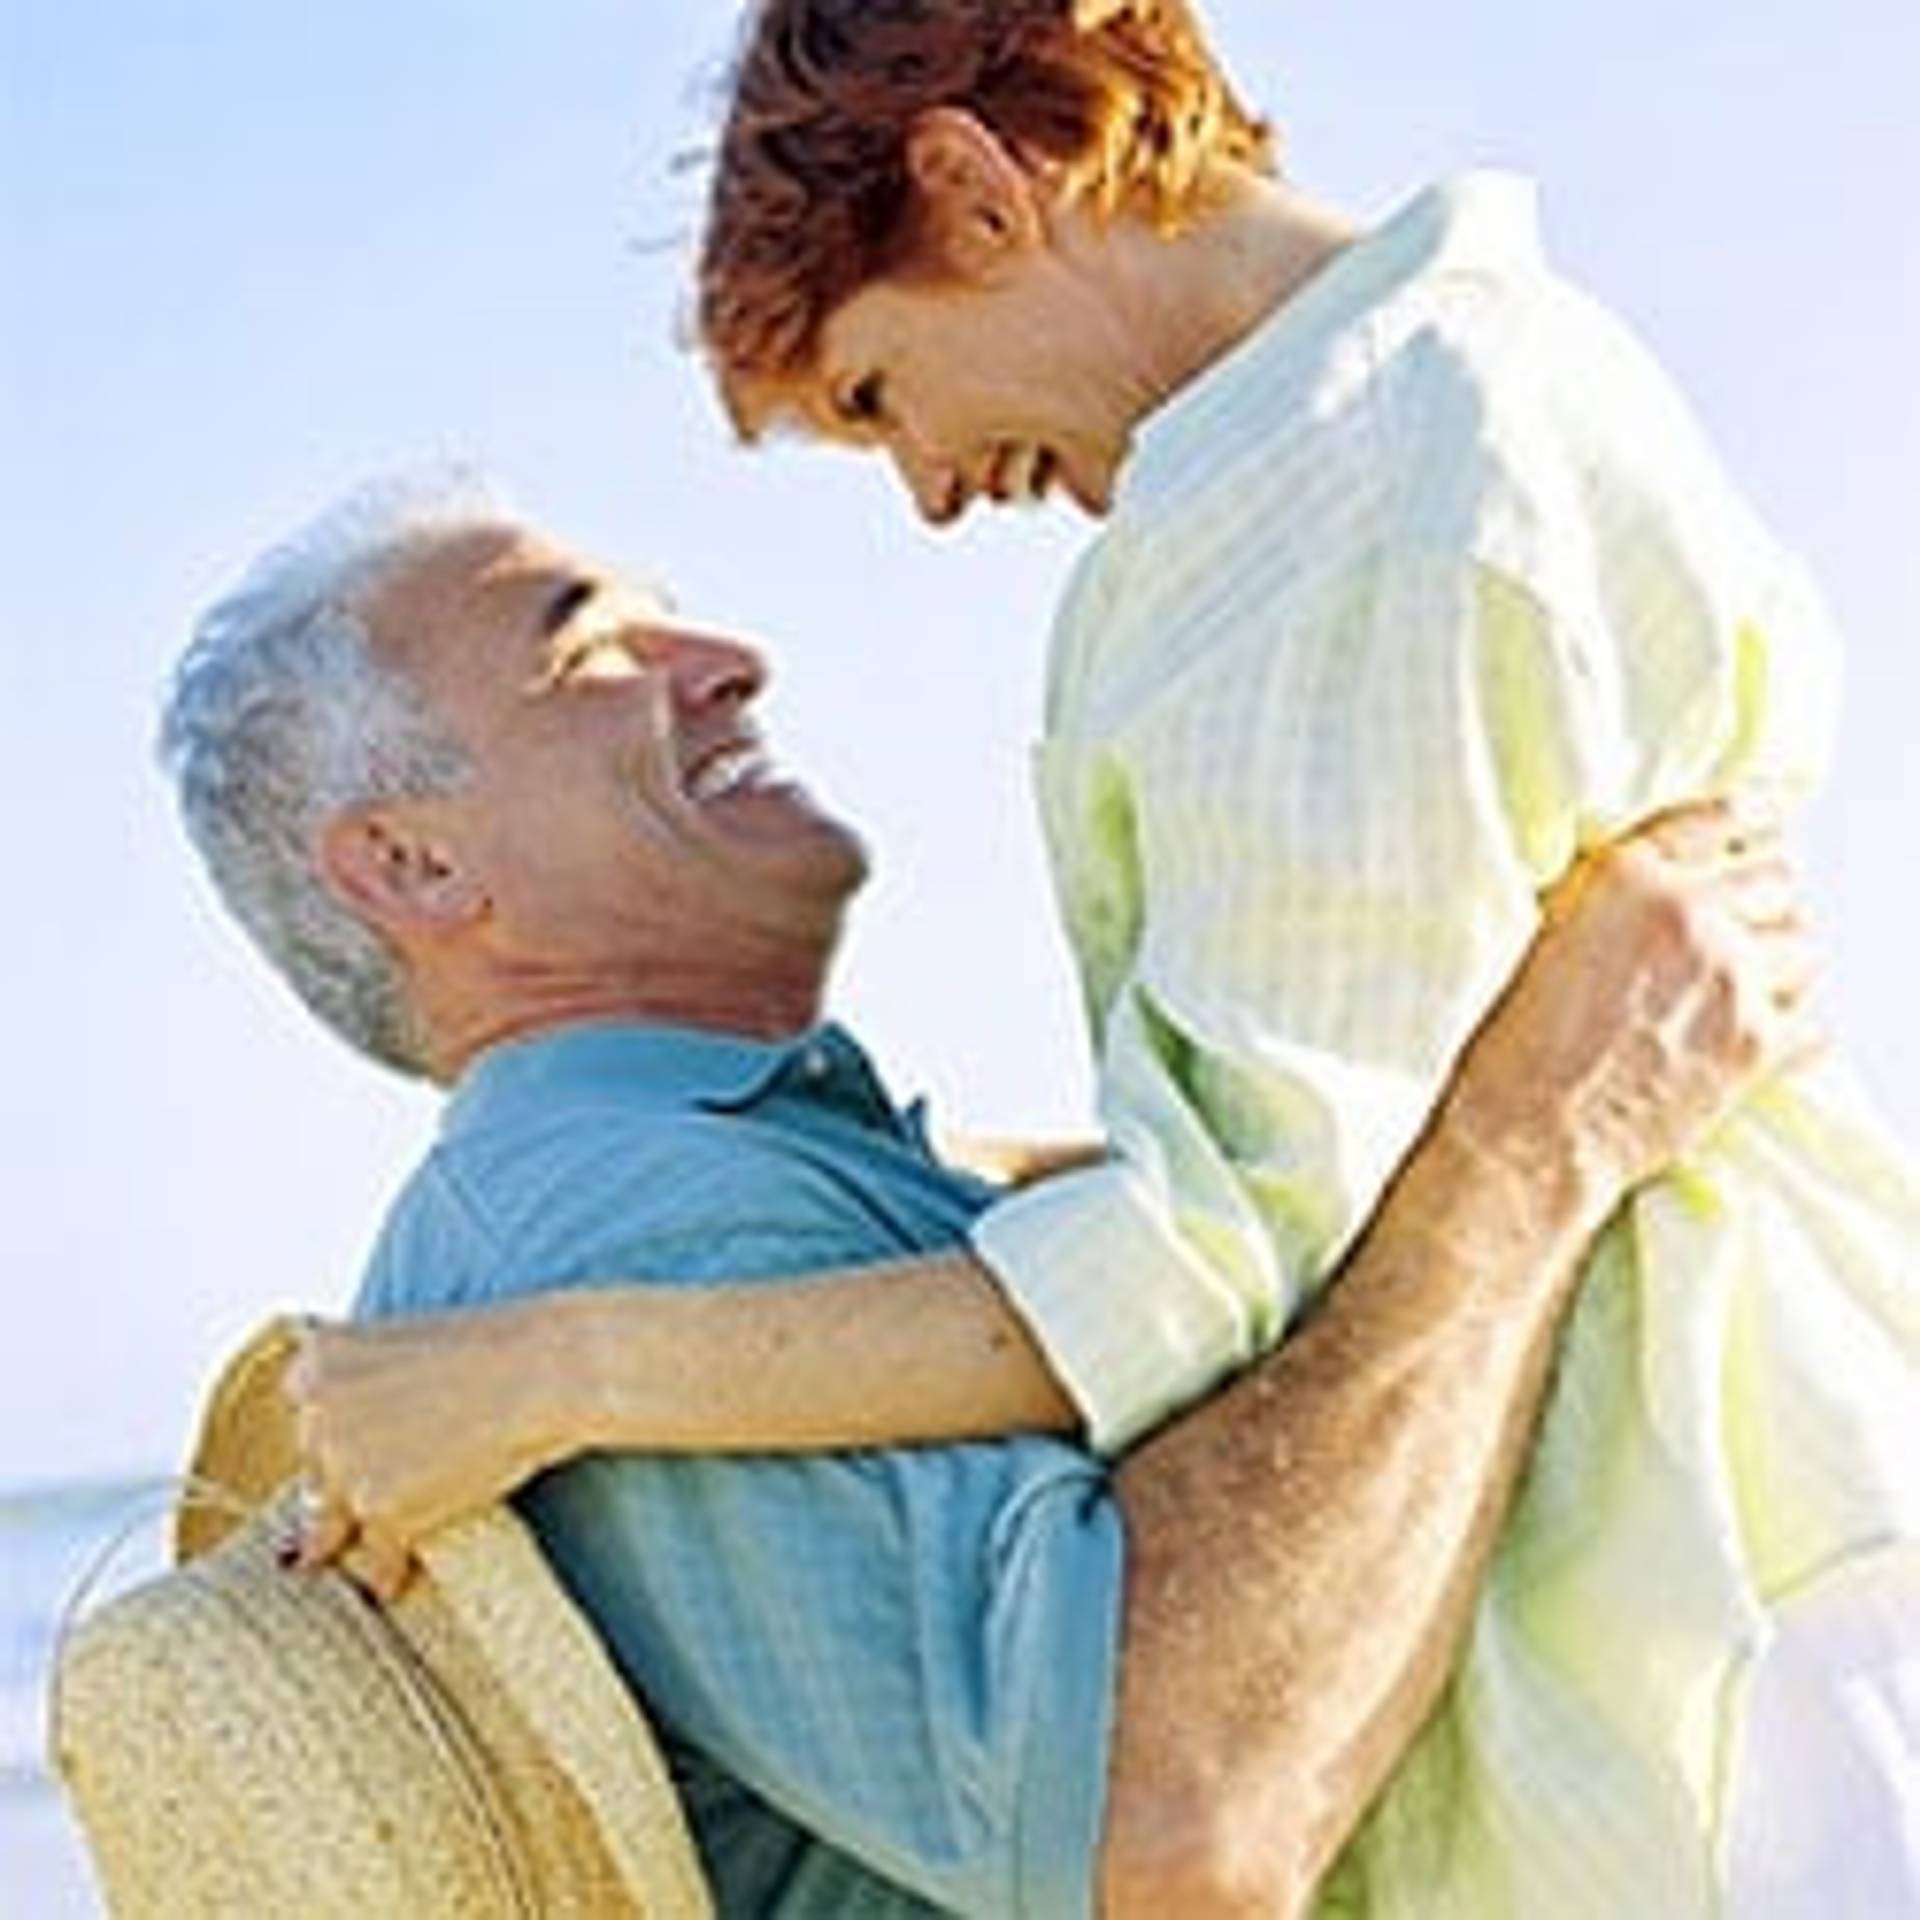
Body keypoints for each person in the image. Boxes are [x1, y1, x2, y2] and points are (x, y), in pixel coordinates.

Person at [166, 473, 1812, 1916]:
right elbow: (1171, 1834)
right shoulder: (622, 1219)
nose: (731, 662)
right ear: (418, 868)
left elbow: (1178, 1256)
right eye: (591, 646)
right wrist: (1534, 1147)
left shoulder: (726, 1175)